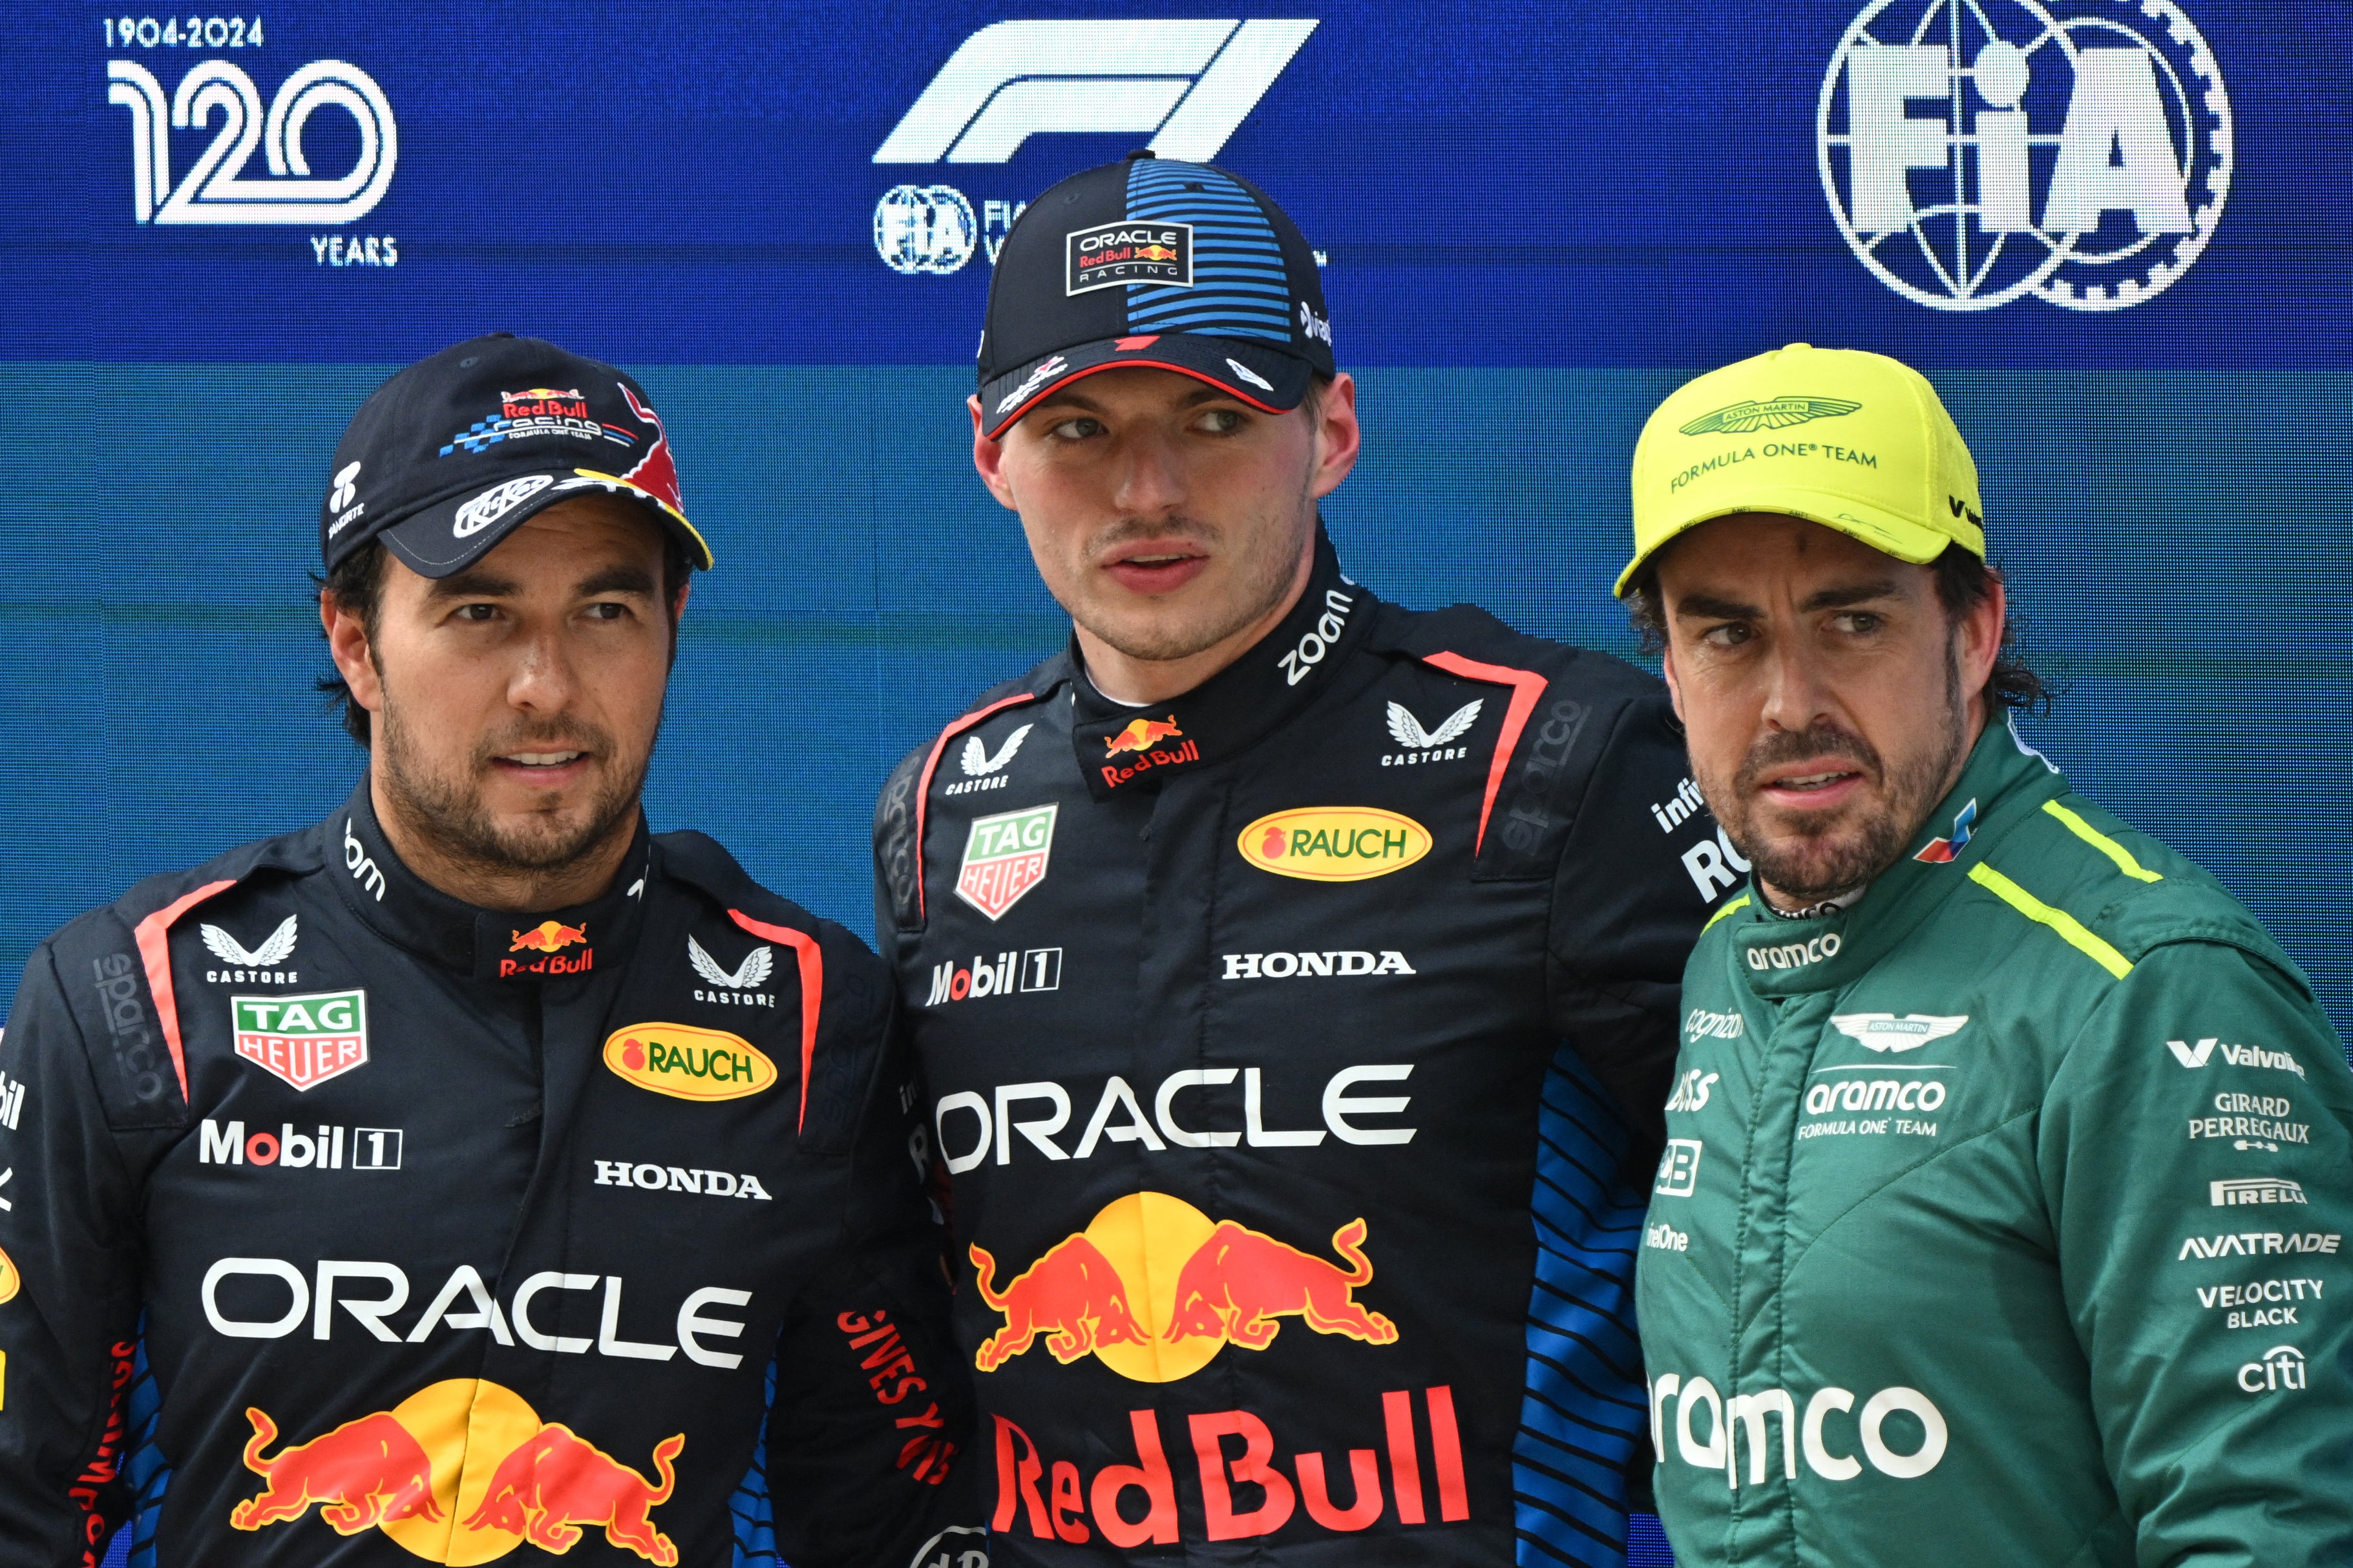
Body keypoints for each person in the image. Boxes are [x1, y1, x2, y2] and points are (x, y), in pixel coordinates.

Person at [0, 334, 980, 1568]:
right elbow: (24, 1498)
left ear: (675, 626)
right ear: (354, 640)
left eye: (606, 610)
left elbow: (883, 1502)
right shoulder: (131, 995)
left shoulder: (809, 1014)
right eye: (478, 612)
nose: (545, 684)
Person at [871, 152, 1722, 1565]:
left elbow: (1806, 1237)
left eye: (1213, 416)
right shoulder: (943, 806)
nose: (1145, 488)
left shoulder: (1559, 756)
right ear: (989, 456)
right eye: (1075, 427)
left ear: (1331, 430)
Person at [1623, 343, 2353, 1564]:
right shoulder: (1725, 958)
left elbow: (2269, 1526)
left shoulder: (2150, 984)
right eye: (1728, 636)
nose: (1788, 701)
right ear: (1670, 669)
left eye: (1852, 621)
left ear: (1973, 632)